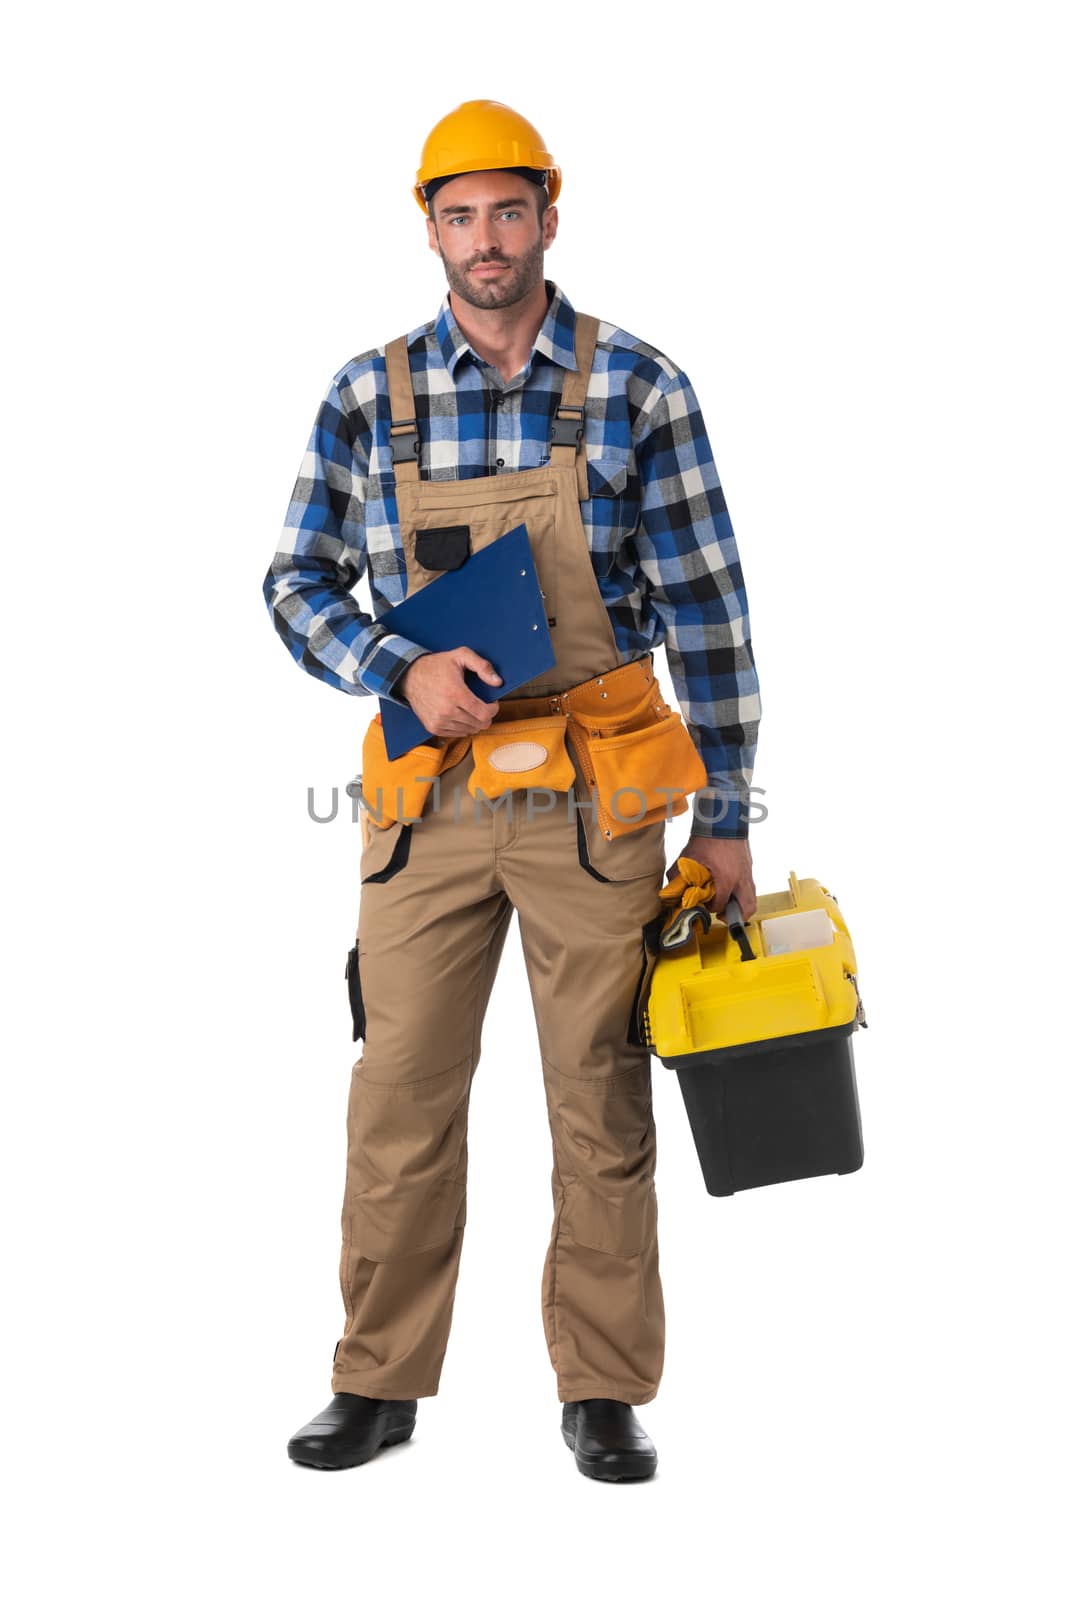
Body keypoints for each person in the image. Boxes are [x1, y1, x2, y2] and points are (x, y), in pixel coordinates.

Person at [263, 99, 761, 1481]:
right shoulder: (367, 394)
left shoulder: (638, 387)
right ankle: (378, 1382)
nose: (485, 241)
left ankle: (602, 1389)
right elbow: (294, 585)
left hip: (597, 796)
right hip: (429, 801)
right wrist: (392, 668)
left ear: (550, 213)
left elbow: (709, 612)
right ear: (429, 227)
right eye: (457, 215)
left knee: (599, 1093)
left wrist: (724, 817)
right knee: (400, 1089)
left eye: (508, 211)